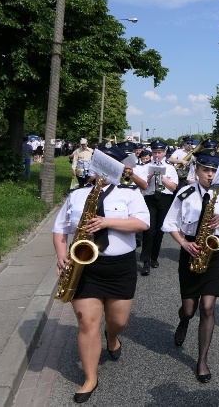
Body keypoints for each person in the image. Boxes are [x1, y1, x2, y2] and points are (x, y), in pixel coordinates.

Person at [52, 144, 150, 403]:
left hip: (120, 268)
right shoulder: (77, 195)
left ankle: (113, 335)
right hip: (85, 267)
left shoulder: (129, 193)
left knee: (118, 322)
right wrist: (61, 254)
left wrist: (107, 222)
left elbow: (143, 223)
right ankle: (90, 378)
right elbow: (60, 228)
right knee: (87, 324)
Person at [162, 149, 219, 383]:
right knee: (189, 309)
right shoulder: (185, 193)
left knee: (208, 307)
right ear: (196, 170)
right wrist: (184, 244)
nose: (209, 175)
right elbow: (170, 224)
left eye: (214, 170)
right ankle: (184, 321)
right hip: (190, 250)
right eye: (205, 170)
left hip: (215, 253)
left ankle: (202, 360)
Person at [139, 140, 179, 276]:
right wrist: (151, 175)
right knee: (149, 229)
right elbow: (143, 186)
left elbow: (173, 188)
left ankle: (154, 257)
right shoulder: (145, 167)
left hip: (164, 198)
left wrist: (162, 177)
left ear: (164, 153)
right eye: (155, 152)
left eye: (160, 152)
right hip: (149, 198)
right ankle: (145, 261)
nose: (157, 155)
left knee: (160, 230)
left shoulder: (170, 168)